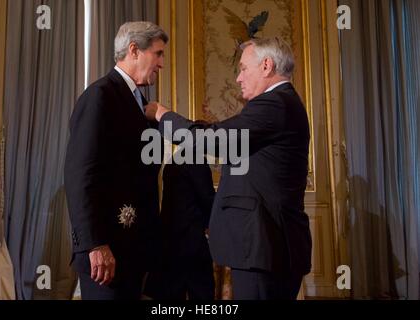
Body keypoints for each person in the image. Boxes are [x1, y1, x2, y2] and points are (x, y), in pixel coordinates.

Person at [145, 37, 312, 300]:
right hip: (266, 246)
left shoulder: (275, 103)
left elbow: (214, 139)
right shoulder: (282, 103)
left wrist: (162, 115)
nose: (238, 78)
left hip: (265, 247)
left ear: (266, 66)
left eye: (244, 68)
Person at [64, 21, 168, 300]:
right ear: (134, 50)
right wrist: (95, 243)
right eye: (158, 54)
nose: (161, 63)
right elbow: (80, 175)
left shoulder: (139, 102)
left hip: (132, 250)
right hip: (106, 253)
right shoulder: (100, 95)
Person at [145, 151, 216, 300]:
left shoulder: (174, 160)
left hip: (170, 240)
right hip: (192, 241)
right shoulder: (195, 159)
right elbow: (208, 199)